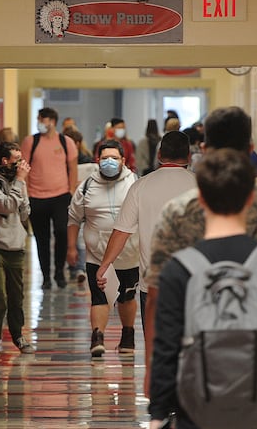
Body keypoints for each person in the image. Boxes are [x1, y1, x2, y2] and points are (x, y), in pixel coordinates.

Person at [143, 106, 257, 404]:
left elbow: (156, 297)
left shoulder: (178, 213)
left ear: (204, 150)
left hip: (195, 360)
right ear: (251, 149)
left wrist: (154, 367)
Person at [95, 130, 196, 333]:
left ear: (159, 155)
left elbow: (121, 232)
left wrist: (105, 264)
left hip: (152, 283)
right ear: (189, 156)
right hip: (192, 281)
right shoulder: (202, 186)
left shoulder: (140, 186)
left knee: (155, 343)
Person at [67, 139, 140, 357]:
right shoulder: (87, 186)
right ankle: (97, 338)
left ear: (123, 160)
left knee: (126, 297)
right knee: (99, 297)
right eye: (105, 158)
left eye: (114, 158)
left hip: (128, 255)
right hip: (96, 255)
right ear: (97, 160)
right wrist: (71, 247)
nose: (109, 162)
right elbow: (73, 218)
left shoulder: (134, 183)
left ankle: (128, 337)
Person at [0, 142, 35, 358]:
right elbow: (6, 206)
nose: (21, 164)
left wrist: (20, 184)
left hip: (16, 245)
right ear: (4, 161)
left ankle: (18, 335)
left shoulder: (18, 181)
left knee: (16, 295)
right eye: (17, 160)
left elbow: (24, 212)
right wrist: (20, 181)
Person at [21, 107, 79, 290]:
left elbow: (73, 168)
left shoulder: (66, 142)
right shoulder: (31, 142)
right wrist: (26, 193)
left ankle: (59, 272)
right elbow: (24, 167)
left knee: (62, 232)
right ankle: (46, 276)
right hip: (36, 197)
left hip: (61, 196)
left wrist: (71, 191)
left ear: (52, 121)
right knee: (41, 238)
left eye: (41, 119)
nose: (39, 122)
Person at [65, 128, 96, 284]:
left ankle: (79, 268)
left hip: (83, 200)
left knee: (80, 235)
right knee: (70, 233)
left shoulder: (86, 160)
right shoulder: (61, 161)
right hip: (66, 199)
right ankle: (74, 266)